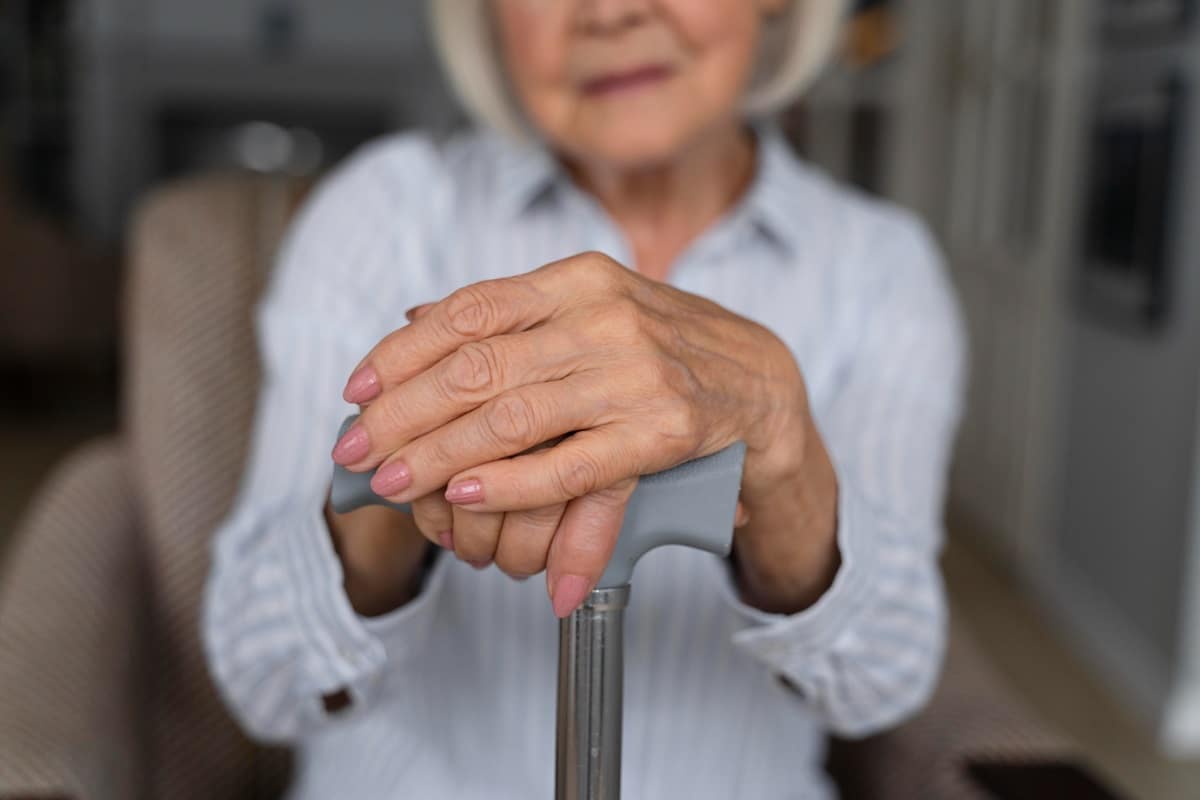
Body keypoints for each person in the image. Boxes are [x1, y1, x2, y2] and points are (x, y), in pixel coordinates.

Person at [203, 1, 966, 797]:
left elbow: (880, 682)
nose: (610, 13)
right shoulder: (389, 212)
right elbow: (266, 678)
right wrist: (411, 474)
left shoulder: (878, 269)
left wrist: (784, 452)